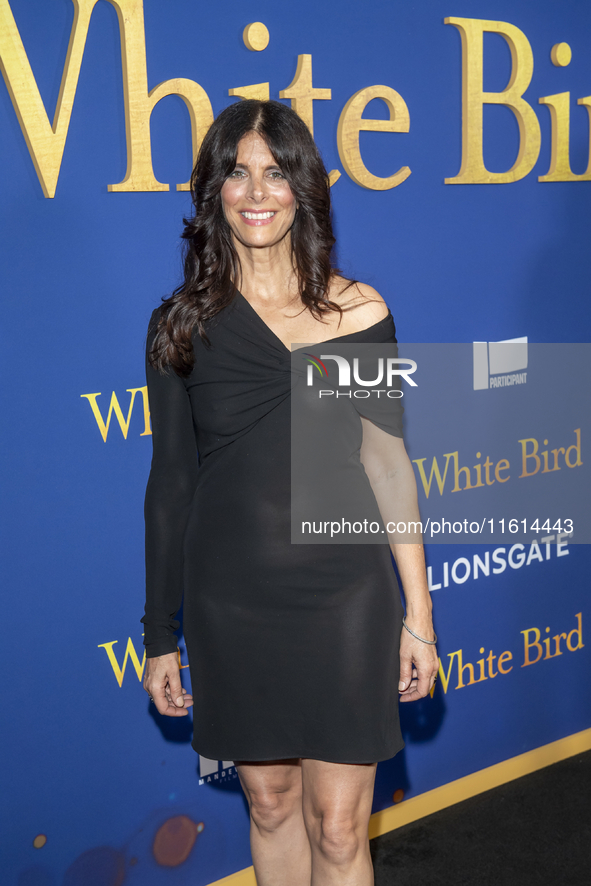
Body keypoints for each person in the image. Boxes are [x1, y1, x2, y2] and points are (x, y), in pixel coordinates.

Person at [142, 99, 438, 886]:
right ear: (212, 190)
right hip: (228, 600)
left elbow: (388, 466)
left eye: (275, 171)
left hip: (342, 596)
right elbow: (169, 485)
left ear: (303, 185)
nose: (256, 190)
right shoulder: (179, 325)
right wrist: (158, 635)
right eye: (236, 171)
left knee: (339, 828)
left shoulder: (359, 312)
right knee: (269, 805)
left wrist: (420, 617)